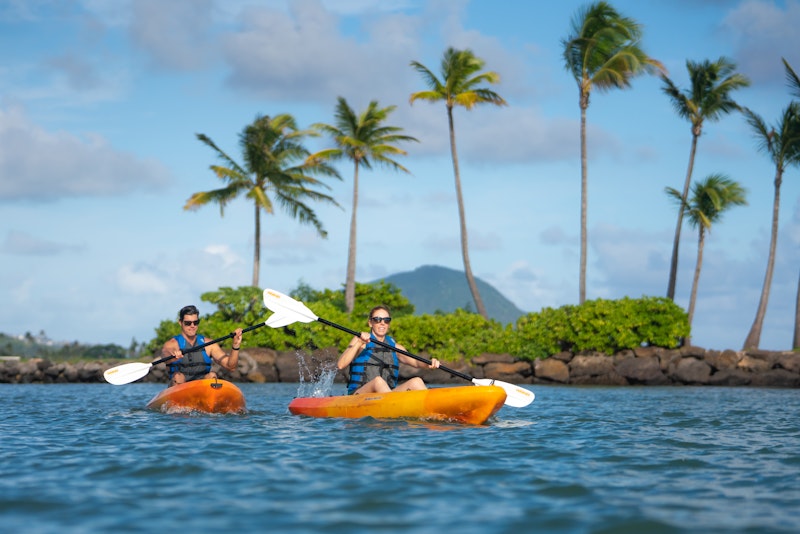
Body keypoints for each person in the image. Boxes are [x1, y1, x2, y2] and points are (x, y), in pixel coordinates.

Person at [337, 305, 440, 395]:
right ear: (370, 323)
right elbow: (340, 364)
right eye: (377, 319)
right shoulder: (360, 341)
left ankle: (434, 412)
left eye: (386, 320)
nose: (382, 323)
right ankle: (391, 405)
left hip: (386, 395)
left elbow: (416, 362)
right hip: (359, 395)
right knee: (378, 381)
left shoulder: (395, 347)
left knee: (416, 381)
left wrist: (428, 364)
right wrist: (359, 342)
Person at [160, 305, 243, 387]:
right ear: (180, 323)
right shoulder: (172, 344)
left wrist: (235, 345)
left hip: (201, 388)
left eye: (195, 322)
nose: (192, 326)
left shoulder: (209, 344)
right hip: (179, 389)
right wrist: (174, 357)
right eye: (188, 323)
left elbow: (231, 367)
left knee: (212, 376)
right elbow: (165, 355)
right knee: (178, 377)